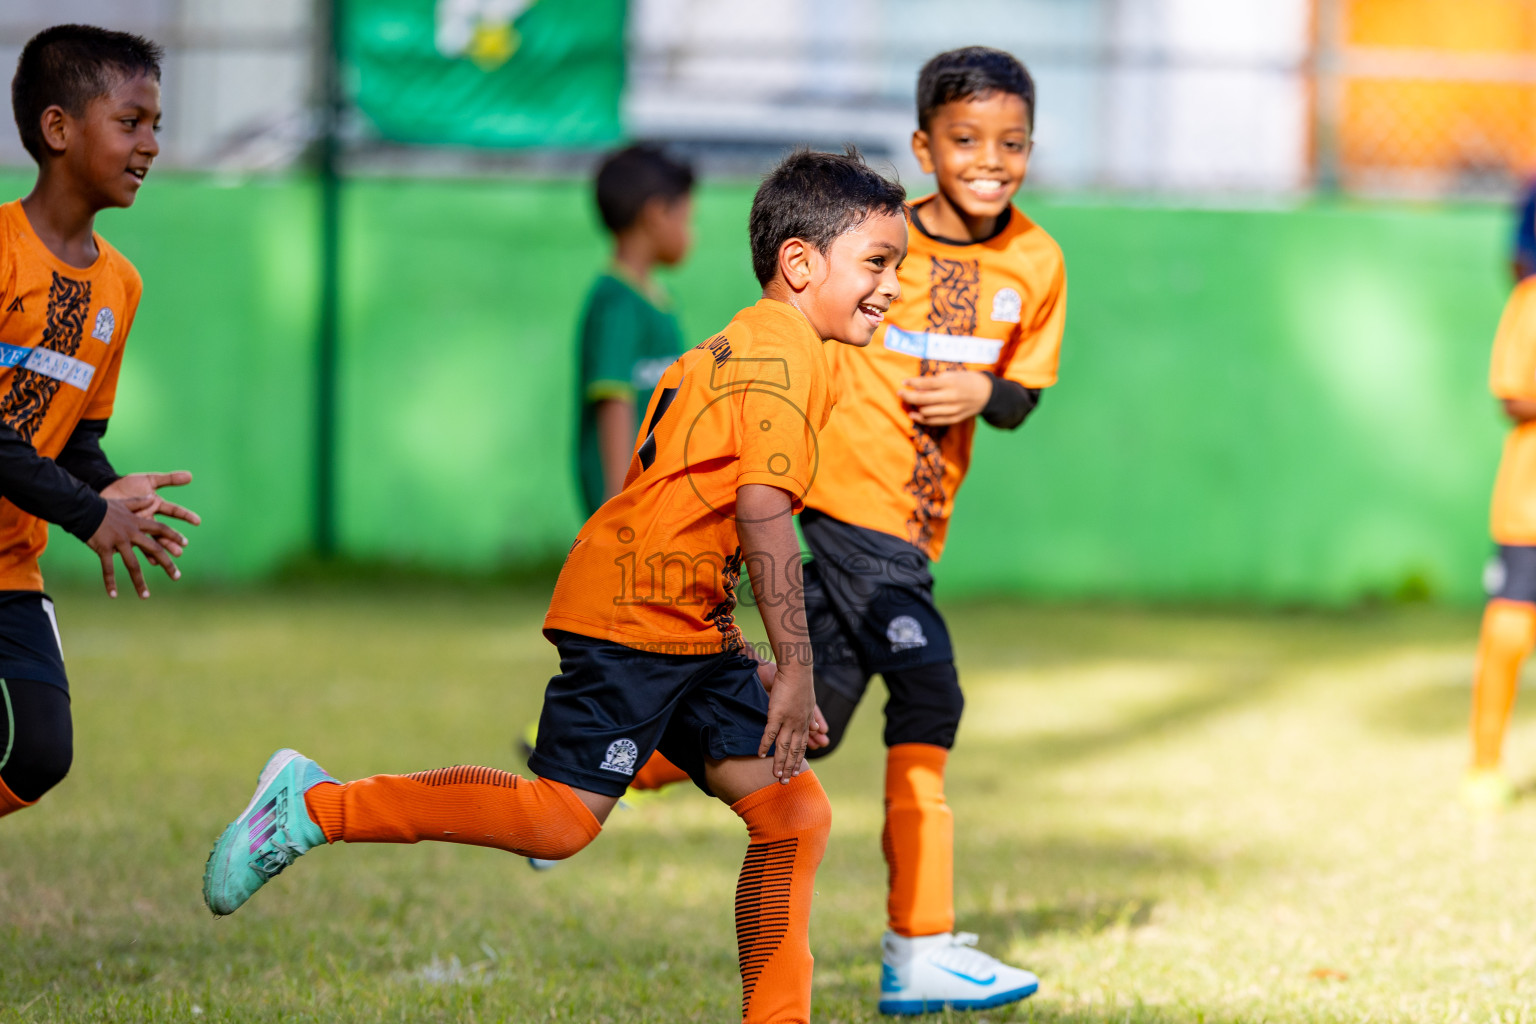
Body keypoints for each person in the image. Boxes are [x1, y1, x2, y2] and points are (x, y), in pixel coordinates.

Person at [203, 147, 908, 1024]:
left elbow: (685, 509)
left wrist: (739, 653)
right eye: (877, 262)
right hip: (633, 619)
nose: (892, 286)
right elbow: (760, 509)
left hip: (682, 619)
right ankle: (315, 806)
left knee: (792, 812)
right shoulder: (786, 359)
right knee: (557, 822)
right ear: (801, 262)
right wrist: (796, 667)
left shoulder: (752, 345)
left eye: (897, 267)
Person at [799, 47, 1064, 1014]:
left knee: (804, 724)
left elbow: (1025, 395)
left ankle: (600, 767)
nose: (990, 160)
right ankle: (919, 948)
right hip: (847, 502)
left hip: (916, 527)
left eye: (1012, 143)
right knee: (929, 688)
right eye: (965, 140)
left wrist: (985, 392)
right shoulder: (879, 242)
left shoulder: (1038, 261)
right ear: (923, 148)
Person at [0, 25, 198, 822]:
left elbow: (74, 435)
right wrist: (88, 514)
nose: (151, 144)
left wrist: (109, 487)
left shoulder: (121, 285)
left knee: (40, 752)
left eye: (156, 125)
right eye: (130, 122)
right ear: (58, 128)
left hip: (10, 563)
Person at [1463, 185, 1536, 811]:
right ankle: (1485, 761)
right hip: (1529, 506)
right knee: (1510, 631)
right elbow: (1512, 396)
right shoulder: (1529, 304)